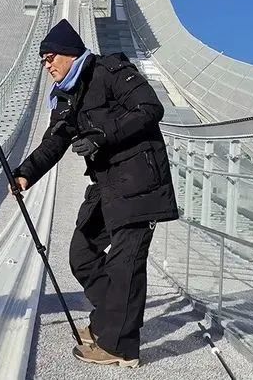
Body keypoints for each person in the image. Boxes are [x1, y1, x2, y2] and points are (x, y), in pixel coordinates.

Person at [12, 19, 178, 367]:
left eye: (50, 58)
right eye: (43, 61)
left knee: (125, 264)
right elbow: (54, 140)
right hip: (106, 186)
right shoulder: (66, 96)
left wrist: (103, 135)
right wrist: (25, 173)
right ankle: (110, 321)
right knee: (82, 253)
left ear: (70, 53)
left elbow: (150, 108)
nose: (47, 66)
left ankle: (120, 346)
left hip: (139, 180)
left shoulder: (110, 70)